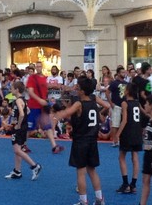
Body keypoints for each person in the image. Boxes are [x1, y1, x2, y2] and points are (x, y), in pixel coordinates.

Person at [53, 77, 105, 205]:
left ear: (82, 91)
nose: (76, 89)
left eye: (77, 87)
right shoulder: (94, 100)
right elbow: (108, 105)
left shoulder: (79, 104)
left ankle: (83, 201)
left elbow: (66, 113)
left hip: (81, 141)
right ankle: (99, 199)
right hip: (92, 140)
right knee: (92, 170)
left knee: (81, 172)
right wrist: (100, 115)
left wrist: (54, 117)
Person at [5, 81, 42, 180]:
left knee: (17, 150)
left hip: (19, 128)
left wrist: (18, 124)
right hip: (22, 127)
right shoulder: (23, 100)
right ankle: (17, 171)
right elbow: (27, 111)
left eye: (12, 88)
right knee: (18, 150)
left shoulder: (18, 101)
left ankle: (35, 166)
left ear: (16, 90)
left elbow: (21, 114)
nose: (10, 89)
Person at [27, 61, 64, 153]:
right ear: (36, 68)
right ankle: (22, 144)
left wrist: (46, 100)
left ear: (42, 67)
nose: (38, 68)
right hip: (34, 105)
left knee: (47, 125)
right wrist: (39, 100)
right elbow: (30, 92)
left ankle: (54, 146)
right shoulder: (32, 78)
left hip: (43, 106)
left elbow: (44, 91)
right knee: (29, 128)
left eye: (40, 66)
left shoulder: (44, 78)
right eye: (37, 66)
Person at [114, 83, 142, 194]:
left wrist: (117, 134)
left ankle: (125, 183)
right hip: (137, 132)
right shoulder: (137, 103)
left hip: (128, 132)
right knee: (135, 157)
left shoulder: (125, 103)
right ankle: (133, 184)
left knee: (121, 157)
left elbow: (124, 120)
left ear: (128, 91)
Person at [105, 67, 127, 147]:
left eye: (124, 72)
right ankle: (115, 140)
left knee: (123, 123)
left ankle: (121, 139)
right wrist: (111, 103)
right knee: (115, 124)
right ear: (118, 73)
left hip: (124, 106)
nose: (123, 74)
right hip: (116, 105)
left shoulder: (126, 83)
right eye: (122, 72)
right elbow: (107, 92)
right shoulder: (114, 83)